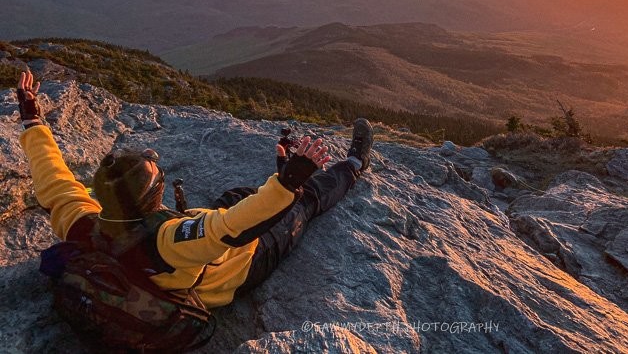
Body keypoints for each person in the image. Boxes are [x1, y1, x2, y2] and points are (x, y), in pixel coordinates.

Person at [16, 70, 373, 308]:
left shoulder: (80, 222)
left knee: (237, 197)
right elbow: (230, 228)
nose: (153, 157)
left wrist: (33, 119)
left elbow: (55, 180)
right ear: (153, 196)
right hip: (240, 268)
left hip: (195, 246)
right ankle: (354, 167)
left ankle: (273, 190)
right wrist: (289, 185)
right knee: (304, 204)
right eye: (153, 165)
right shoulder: (169, 241)